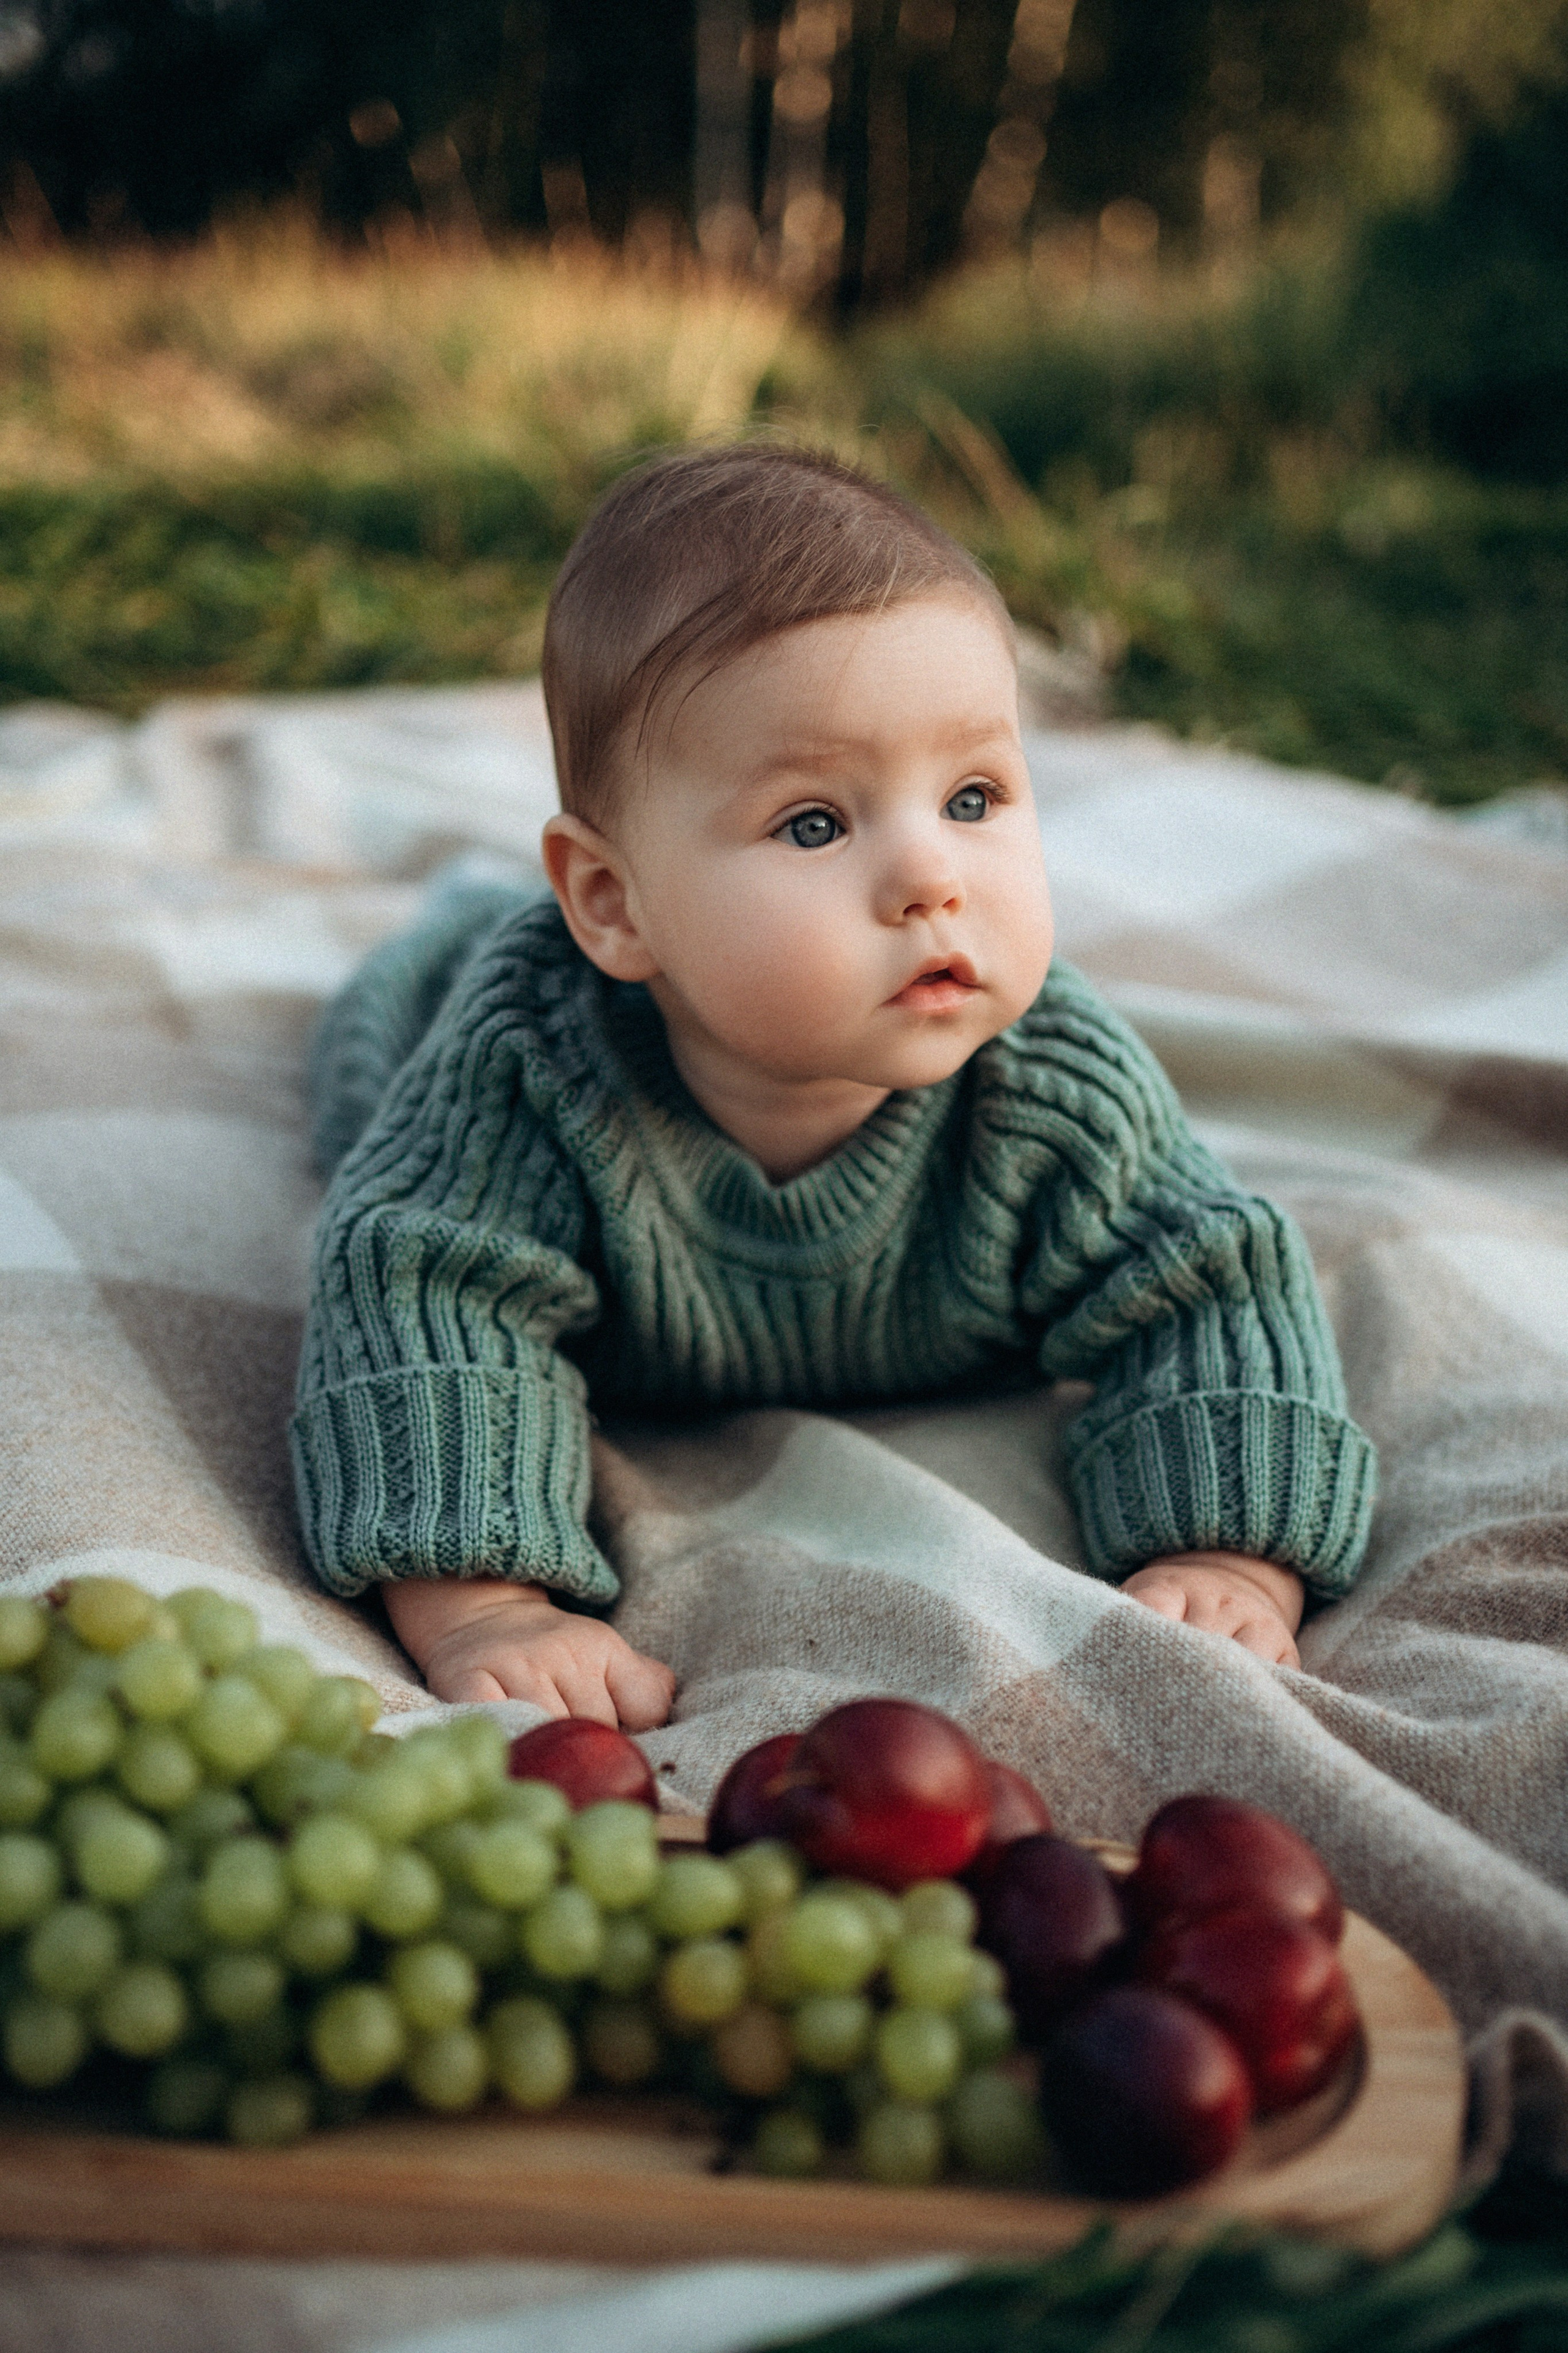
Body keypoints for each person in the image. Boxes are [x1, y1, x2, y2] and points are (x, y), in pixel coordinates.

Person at [291, 444, 1376, 1725]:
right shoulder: (524, 1078)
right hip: (465, 1005)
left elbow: (1208, 1285)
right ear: (612, 900)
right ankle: (470, 909)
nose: (931, 876)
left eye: (973, 795)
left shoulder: (1048, 1086)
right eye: (813, 822)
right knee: (389, 1038)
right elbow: (418, 1295)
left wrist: (1226, 1547)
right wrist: (485, 1605)